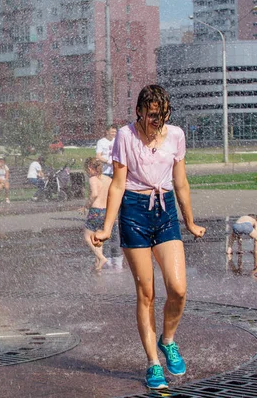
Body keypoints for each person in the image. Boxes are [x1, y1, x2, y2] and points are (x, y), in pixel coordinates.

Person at [91, 85, 205, 390]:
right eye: (153, 115)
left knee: (178, 289)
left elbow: (180, 182)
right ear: (140, 111)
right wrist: (105, 228)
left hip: (165, 212)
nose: (158, 121)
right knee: (147, 294)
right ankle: (153, 362)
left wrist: (190, 222)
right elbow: (117, 185)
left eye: (163, 115)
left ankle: (167, 340)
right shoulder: (126, 137)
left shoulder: (177, 136)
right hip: (133, 213)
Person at [80, 157, 111, 272]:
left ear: (89, 168)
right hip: (105, 211)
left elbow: (94, 194)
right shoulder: (108, 179)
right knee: (98, 238)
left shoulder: (93, 179)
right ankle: (98, 265)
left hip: (95, 211)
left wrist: (85, 206)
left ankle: (102, 258)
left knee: (87, 237)